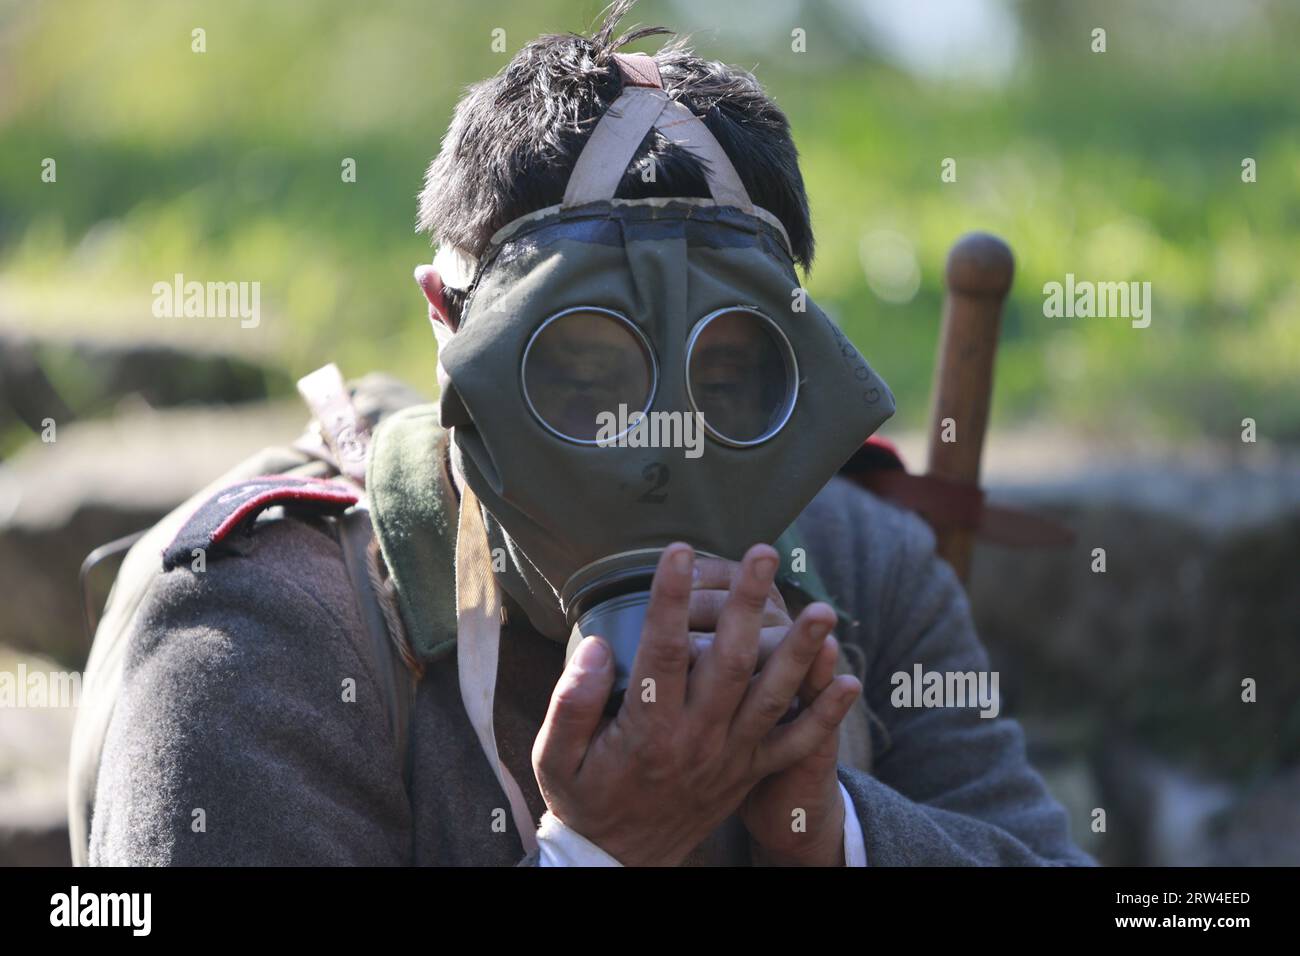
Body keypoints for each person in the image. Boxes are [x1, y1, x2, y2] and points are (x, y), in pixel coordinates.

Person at [78, 0, 1091, 867]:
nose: (653, 448)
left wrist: (835, 831)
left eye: (724, 375)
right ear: (449, 321)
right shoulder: (254, 633)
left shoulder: (856, 565)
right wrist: (598, 850)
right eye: (577, 373)